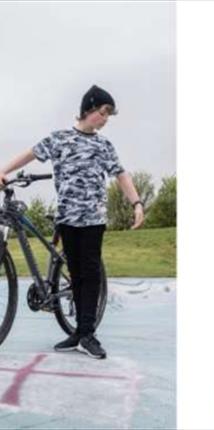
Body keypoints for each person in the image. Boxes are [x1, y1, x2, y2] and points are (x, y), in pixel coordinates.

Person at [0, 85, 144, 359]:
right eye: (104, 112)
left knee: (89, 275)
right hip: (67, 218)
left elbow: (121, 175)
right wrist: (3, 170)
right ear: (89, 109)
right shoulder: (59, 139)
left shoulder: (103, 145)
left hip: (92, 219)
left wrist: (136, 202)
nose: (105, 119)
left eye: (109, 115)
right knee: (76, 274)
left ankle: (88, 334)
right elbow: (30, 153)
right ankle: (78, 333)